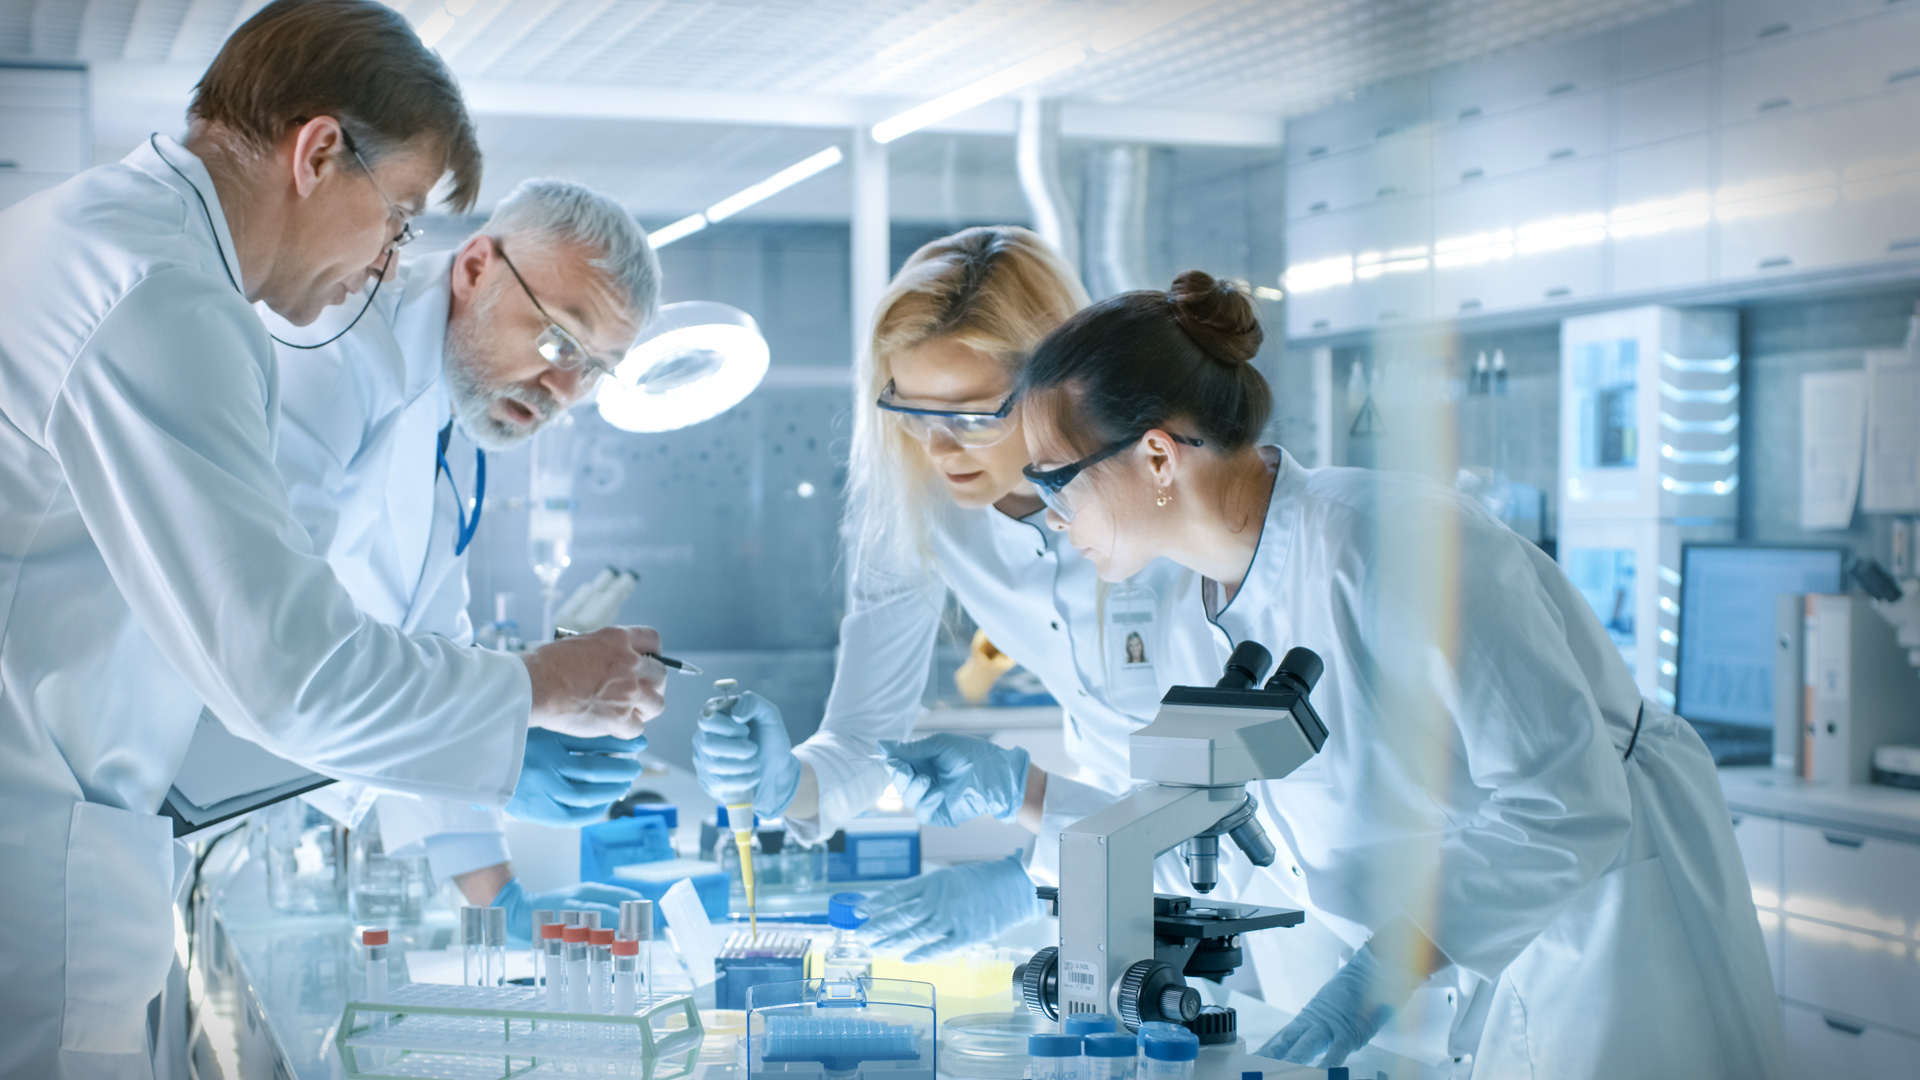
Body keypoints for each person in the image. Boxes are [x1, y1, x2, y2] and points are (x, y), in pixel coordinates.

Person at [0, 4, 664, 1075]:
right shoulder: (164, 297)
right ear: (316, 154)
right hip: (38, 862)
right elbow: (289, 668)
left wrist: (497, 772)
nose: (390, 262)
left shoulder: (111, 241)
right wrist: (536, 692)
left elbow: (371, 641)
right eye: (398, 217)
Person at [1011, 270, 1788, 1078]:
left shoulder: (1396, 546)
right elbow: (1236, 842)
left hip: (1602, 927)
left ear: (1157, 456)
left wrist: (1377, 976)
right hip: (1436, 964)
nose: (1052, 518)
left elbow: (1567, 807)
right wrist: (1028, 805)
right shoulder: (1188, 612)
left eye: (1054, 482)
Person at [691, 226, 1221, 961]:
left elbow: (1249, 779)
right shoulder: (921, 506)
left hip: (1257, 866)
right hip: (1105, 855)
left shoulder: (1159, 492)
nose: (938, 450)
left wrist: (1026, 881)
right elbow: (864, 742)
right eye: (912, 413)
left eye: (972, 416)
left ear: (1061, 386)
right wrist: (783, 783)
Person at [269, 177, 666, 939]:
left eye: (594, 369)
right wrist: (510, 720)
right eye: (560, 341)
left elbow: (428, 649)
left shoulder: (449, 422)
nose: (563, 389)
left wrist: (500, 902)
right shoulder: (335, 346)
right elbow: (288, 661)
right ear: (477, 266)